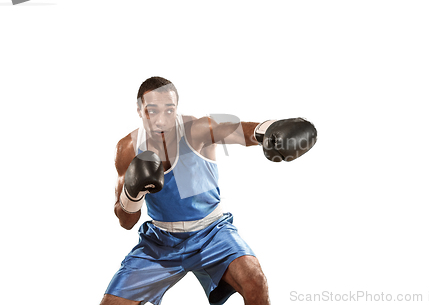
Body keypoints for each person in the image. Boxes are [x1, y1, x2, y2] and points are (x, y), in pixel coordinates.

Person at [101, 77, 317, 305]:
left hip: (212, 233)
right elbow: (126, 221)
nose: (161, 120)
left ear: (176, 109)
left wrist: (270, 131)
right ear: (139, 110)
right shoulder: (128, 149)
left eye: (169, 110)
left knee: (255, 280)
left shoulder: (196, 130)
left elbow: (241, 132)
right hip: (161, 241)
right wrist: (132, 194)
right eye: (151, 111)